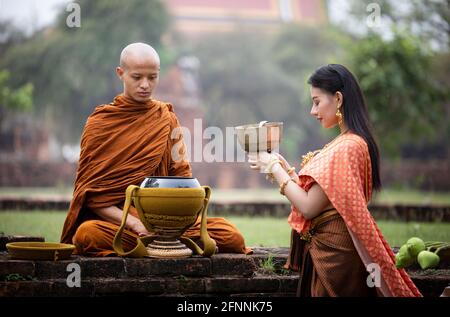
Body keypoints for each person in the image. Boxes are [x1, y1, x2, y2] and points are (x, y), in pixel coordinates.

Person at [61, 42, 252, 256]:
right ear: (121, 73)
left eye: (152, 77)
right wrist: (135, 224)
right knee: (86, 235)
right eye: (137, 77)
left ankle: (163, 242)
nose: (145, 85)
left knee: (231, 236)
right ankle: (174, 244)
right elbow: (93, 197)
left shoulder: (166, 119)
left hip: (169, 219)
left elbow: (183, 178)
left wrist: (176, 221)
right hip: (123, 222)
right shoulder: (100, 124)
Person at [247, 64, 421, 297]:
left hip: (336, 257)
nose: (312, 110)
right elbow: (323, 196)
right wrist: (285, 170)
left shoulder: (348, 146)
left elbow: (309, 207)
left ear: (338, 99)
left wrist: (274, 168)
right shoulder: (347, 142)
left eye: (317, 101)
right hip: (329, 249)